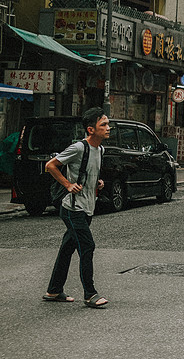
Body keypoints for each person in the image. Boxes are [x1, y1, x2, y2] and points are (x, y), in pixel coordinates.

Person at [43, 108, 109, 307]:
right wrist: (67, 184)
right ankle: (90, 294)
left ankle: (54, 291)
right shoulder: (79, 148)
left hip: (88, 207)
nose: (108, 128)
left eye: (107, 123)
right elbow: (50, 165)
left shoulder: (100, 150)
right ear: (91, 129)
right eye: (103, 124)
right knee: (87, 246)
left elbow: (88, 173)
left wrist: (97, 183)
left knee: (66, 249)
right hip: (73, 209)